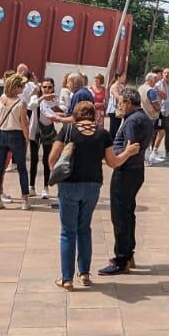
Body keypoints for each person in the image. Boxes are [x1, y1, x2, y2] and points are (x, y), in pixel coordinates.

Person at [49, 100, 140, 289]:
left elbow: (52, 158)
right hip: (92, 186)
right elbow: (113, 163)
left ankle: (67, 278)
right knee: (84, 229)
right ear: (95, 115)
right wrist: (129, 152)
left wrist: (58, 176)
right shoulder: (103, 134)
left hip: (69, 185)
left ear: (75, 115)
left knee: (68, 232)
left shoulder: (67, 131)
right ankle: (84, 274)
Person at [99, 86, 152, 275]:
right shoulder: (141, 118)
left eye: (120, 103)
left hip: (127, 171)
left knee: (120, 215)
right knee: (127, 213)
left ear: (129, 103)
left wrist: (113, 157)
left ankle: (121, 258)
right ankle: (128, 253)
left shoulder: (132, 121)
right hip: (135, 171)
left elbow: (131, 148)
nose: (117, 106)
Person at [0, 74, 33, 210]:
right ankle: (25, 199)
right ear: (16, 87)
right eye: (22, 86)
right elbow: (24, 124)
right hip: (17, 135)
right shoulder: (21, 103)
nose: (24, 88)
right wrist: (26, 139)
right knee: (22, 168)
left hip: (2, 135)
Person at [29, 78, 60, 198]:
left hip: (48, 132)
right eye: (44, 87)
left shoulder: (55, 100)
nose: (47, 89)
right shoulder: (35, 98)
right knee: (34, 159)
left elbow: (61, 110)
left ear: (53, 88)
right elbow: (31, 106)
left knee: (47, 159)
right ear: (41, 88)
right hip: (35, 131)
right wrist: (42, 98)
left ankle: (45, 187)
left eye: (49, 87)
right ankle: (31, 186)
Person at [154, 66, 169, 161]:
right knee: (158, 132)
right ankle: (153, 150)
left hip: (167, 112)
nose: (167, 75)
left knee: (168, 131)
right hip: (160, 112)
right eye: (165, 73)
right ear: (162, 74)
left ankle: (167, 151)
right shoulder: (158, 85)